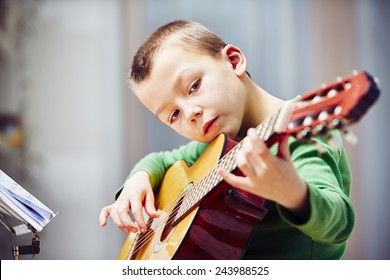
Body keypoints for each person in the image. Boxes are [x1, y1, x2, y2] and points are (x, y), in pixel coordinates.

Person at [99, 19, 354, 259]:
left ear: (233, 61)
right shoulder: (215, 146)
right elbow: (163, 159)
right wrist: (138, 178)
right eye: (173, 114)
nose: (191, 114)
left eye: (194, 86)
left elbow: (339, 222)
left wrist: (294, 193)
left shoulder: (299, 137)